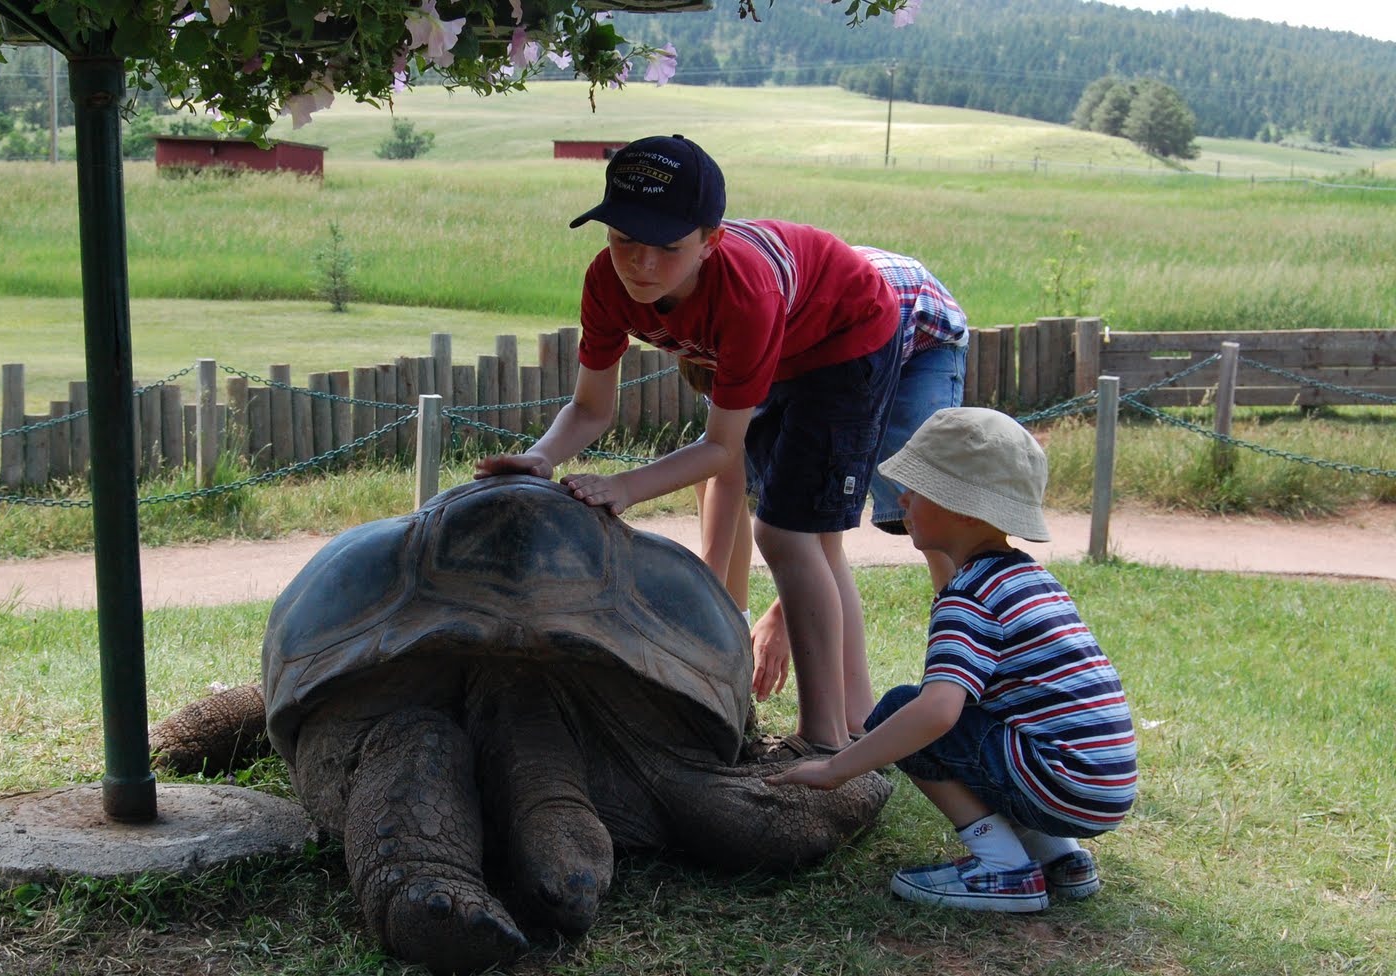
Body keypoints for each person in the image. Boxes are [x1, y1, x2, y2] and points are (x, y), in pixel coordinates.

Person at [473, 133, 903, 760]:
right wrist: (543, 456)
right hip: (780, 350)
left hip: (848, 338)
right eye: (624, 240)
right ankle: (855, 719)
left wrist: (623, 487)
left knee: (785, 533)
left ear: (711, 240)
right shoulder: (606, 281)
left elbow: (720, 449)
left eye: (667, 248)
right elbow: (592, 407)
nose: (641, 264)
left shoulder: (744, 292)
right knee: (799, 533)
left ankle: (822, 738)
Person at [767, 407, 1137, 912]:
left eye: (917, 488)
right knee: (980, 724)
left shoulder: (971, 595)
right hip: (1102, 783)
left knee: (903, 709)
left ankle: (1003, 869)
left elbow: (938, 711)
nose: (902, 498)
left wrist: (837, 768)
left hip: (1061, 781)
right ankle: (1060, 857)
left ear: (962, 508)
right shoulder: (1029, 578)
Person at [687, 247, 968, 706]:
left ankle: (963, 672)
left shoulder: (811, 362)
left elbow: (824, 520)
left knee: (932, 507)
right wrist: (715, 612)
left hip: (916, 321)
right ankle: (849, 717)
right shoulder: (723, 342)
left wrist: (784, 614)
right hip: (824, 327)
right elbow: (723, 470)